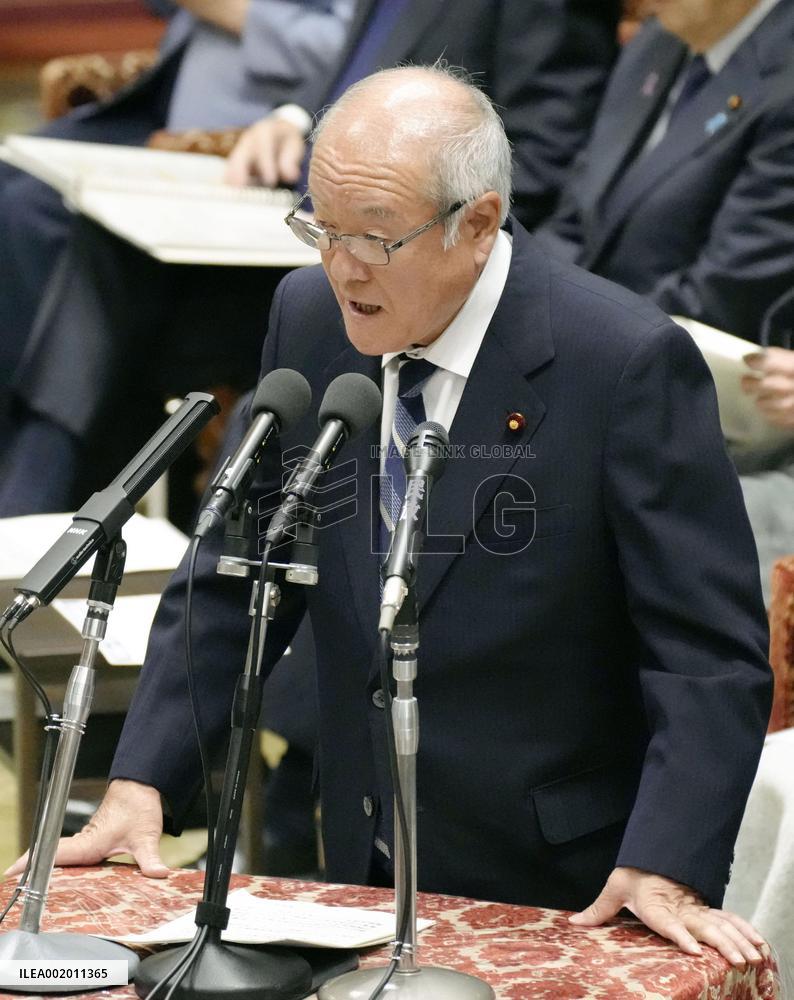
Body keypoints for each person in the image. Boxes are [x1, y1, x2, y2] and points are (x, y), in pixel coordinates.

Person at [11, 66, 772, 966]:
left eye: (374, 239)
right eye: (321, 229)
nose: (341, 267)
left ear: (478, 225)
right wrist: (143, 780)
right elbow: (239, 572)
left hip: (560, 888)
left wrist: (666, 859)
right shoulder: (309, 316)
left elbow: (706, 653)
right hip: (354, 863)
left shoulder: (623, 363)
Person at [0, 0, 622, 515]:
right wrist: (295, 119)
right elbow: (354, 76)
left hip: (400, 261)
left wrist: (386, 225)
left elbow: (536, 166)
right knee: (91, 255)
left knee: (111, 297)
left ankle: (38, 525)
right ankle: (56, 529)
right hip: (309, 222)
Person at [0, 0, 358, 390]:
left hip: (244, 136)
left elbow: (361, 51)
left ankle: (30, 425)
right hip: (160, 104)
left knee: (30, 208)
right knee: (11, 173)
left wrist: (226, 9)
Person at [533, 0, 794, 343]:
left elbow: (721, 297)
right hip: (580, 328)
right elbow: (575, 219)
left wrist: (564, 327)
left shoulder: (784, 86)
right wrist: (518, 293)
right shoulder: (658, 39)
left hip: (658, 359)